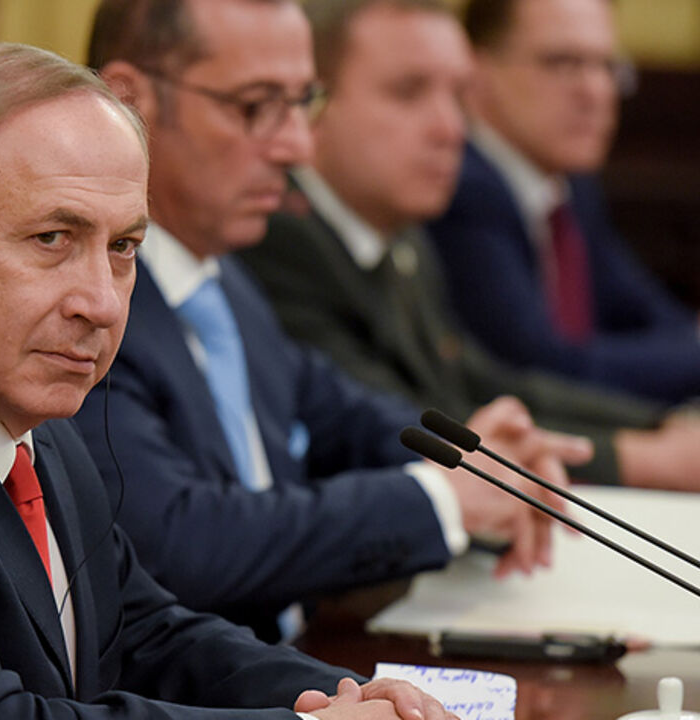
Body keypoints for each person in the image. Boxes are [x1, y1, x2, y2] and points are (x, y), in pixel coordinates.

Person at [0, 40, 456, 720]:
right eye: (52, 239)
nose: (103, 303)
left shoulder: (10, 392)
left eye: (122, 247)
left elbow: (140, 632)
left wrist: (344, 695)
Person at [75, 0, 584, 642]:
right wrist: (443, 501)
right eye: (256, 105)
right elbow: (176, 542)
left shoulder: (223, 275)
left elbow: (343, 413)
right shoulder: (87, 305)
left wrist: (477, 460)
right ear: (130, 102)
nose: (296, 144)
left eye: (303, 102)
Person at [238, 0, 700, 493]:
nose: (450, 129)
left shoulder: (402, 235)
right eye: (409, 92)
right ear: (311, 104)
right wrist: (640, 459)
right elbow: (397, 428)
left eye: (458, 97)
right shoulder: (277, 241)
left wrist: (658, 428)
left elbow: (483, 384)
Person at [425, 0, 700, 404]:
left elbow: (638, 309)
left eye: (606, 66)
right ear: (478, 71)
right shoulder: (460, 187)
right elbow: (544, 365)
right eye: (563, 63)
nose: (595, 92)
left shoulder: (569, 182)